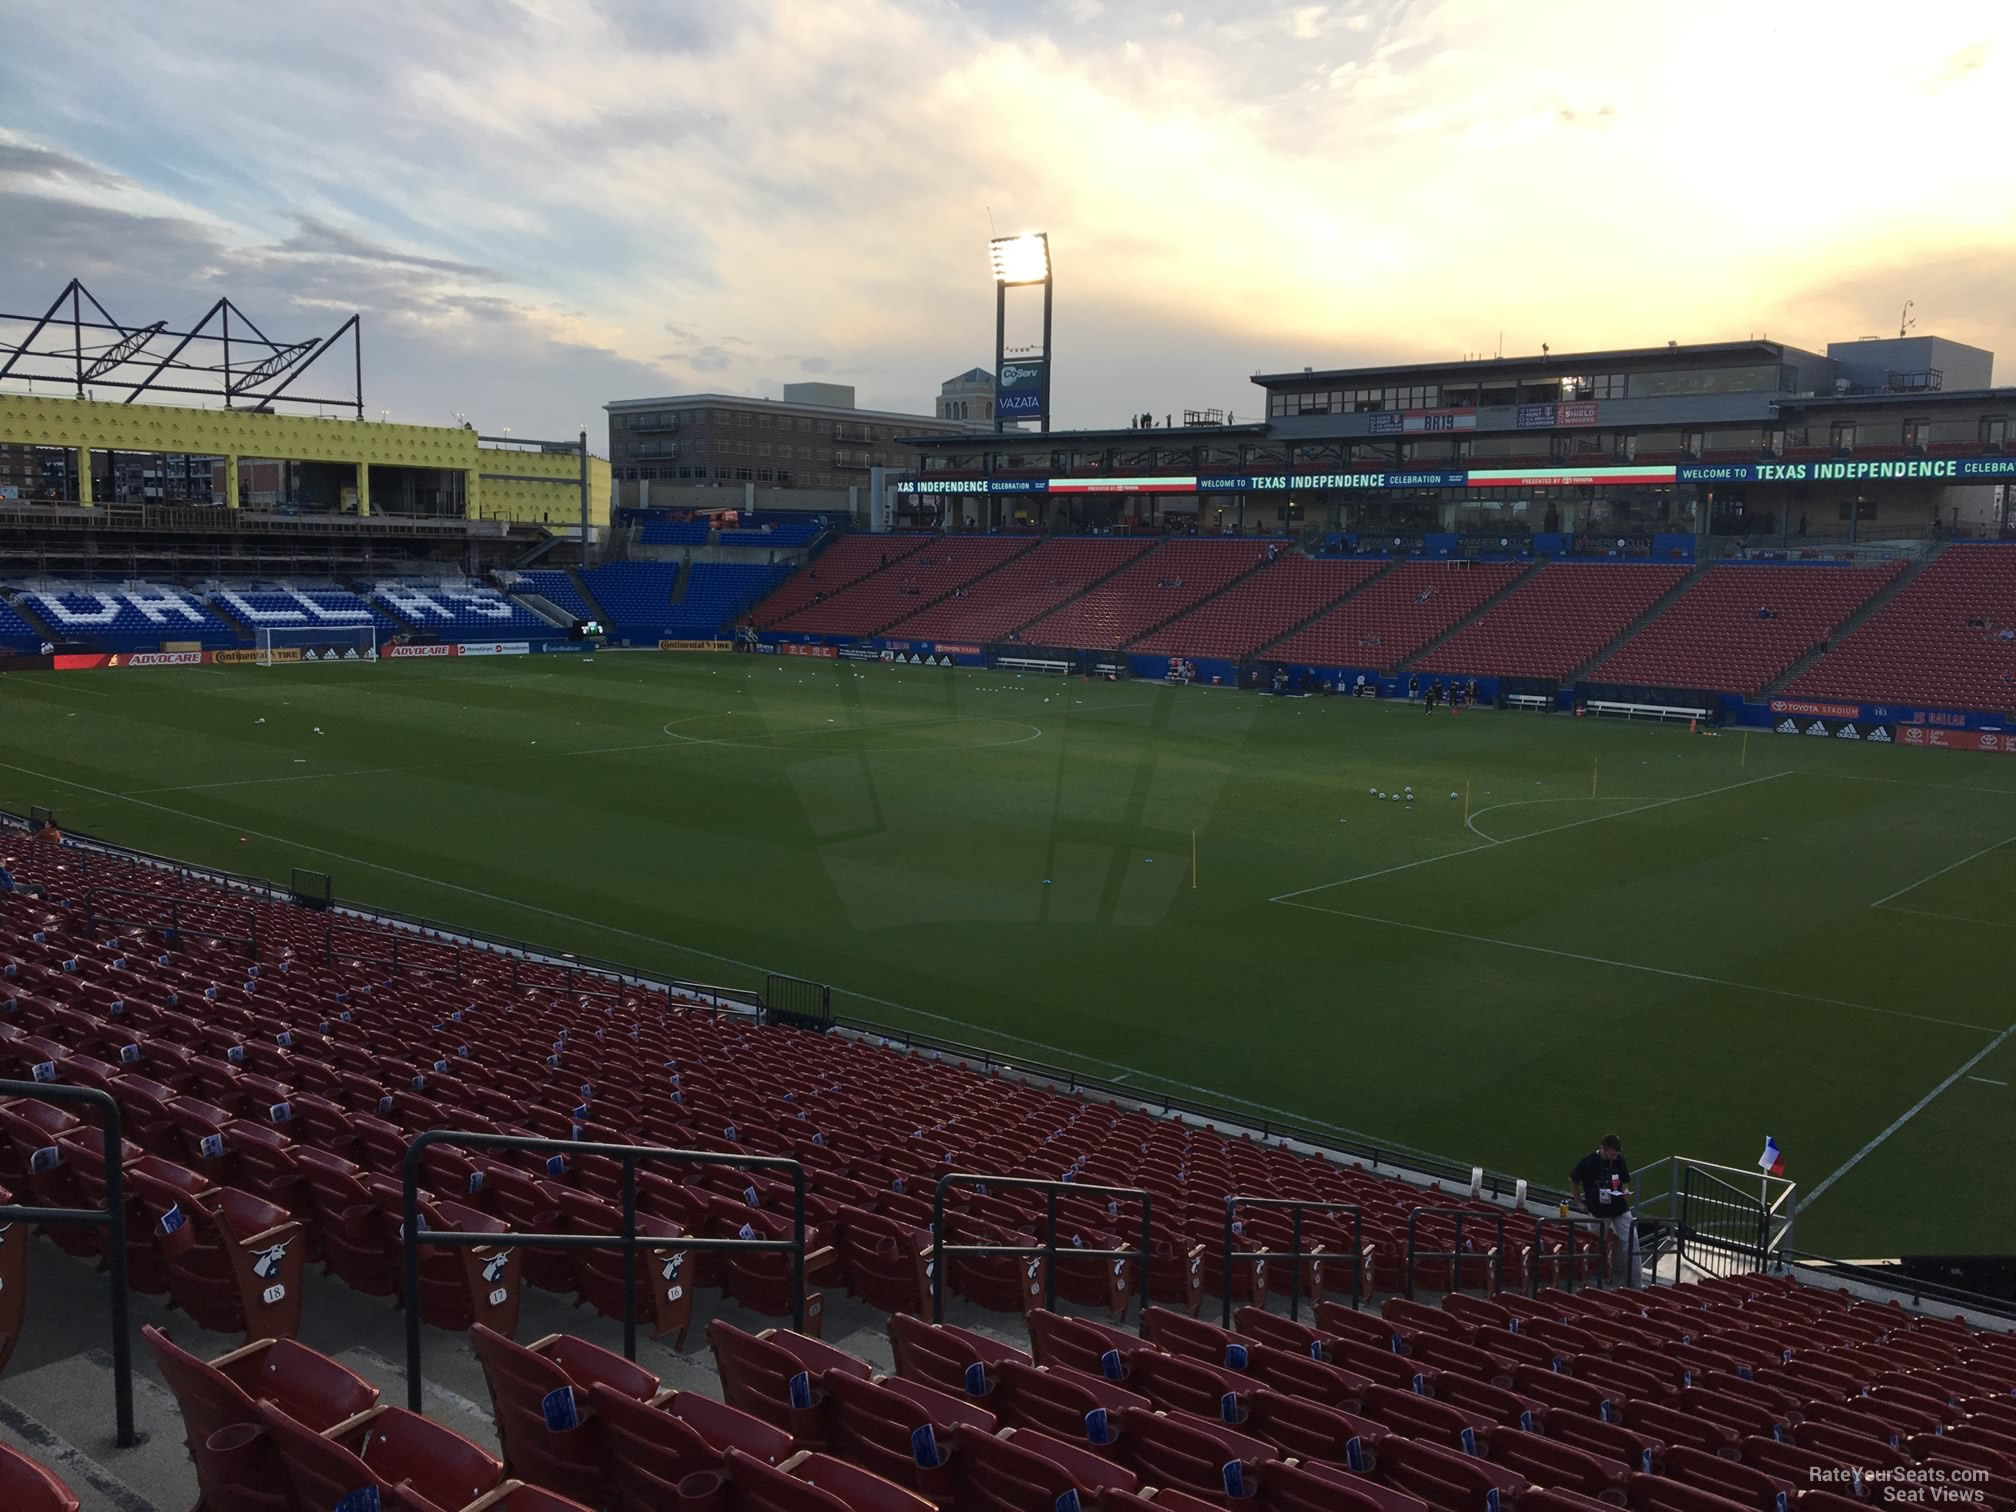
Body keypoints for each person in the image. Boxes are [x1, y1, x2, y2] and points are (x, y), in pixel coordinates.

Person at [1570, 1134, 1640, 1286]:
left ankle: (1636, 1283)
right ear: (1602, 1149)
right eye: (1610, 1154)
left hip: (1619, 1209)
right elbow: (1573, 1179)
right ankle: (1590, 1279)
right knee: (1594, 1245)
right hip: (1598, 1212)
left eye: (1615, 1154)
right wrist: (1578, 1202)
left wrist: (1625, 1191)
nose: (1613, 1158)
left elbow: (1624, 1182)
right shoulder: (1588, 1162)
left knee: (1632, 1241)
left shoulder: (1619, 1160)